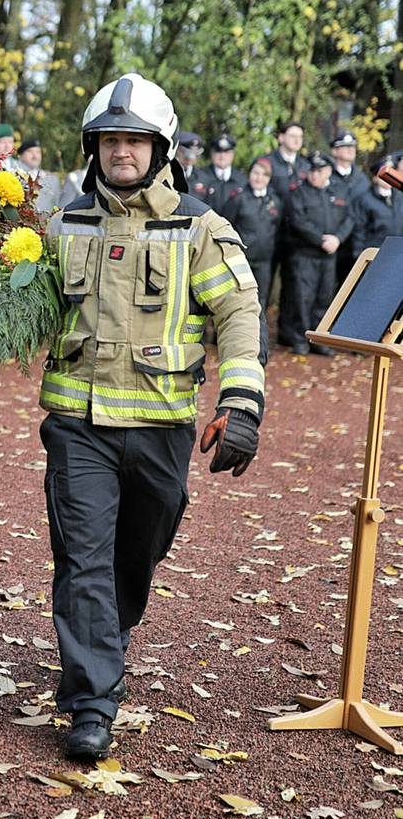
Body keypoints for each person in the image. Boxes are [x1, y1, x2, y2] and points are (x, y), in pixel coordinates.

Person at [39, 73, 263, 760]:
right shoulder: (62, 224)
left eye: (135, 140)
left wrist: (241, 401)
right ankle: (91, 703)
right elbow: (19, 312)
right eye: (109, 140)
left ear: (160, 146)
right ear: (93, 149)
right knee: (83, 560)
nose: (121, 152)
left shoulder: (200, 228)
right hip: (77, 424)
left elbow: (239, 312)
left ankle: (105, 638)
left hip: (163, 426)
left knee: (134, 557)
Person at [284, 150, 353, 356]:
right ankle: (301, 340)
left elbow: (349, 218)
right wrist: (321, 240)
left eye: (319, 170)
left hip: (329, 255)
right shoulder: (299, 192)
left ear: (329, 171)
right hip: (306, 254)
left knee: (324, 298)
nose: (314, 175)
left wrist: (338, 238)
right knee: (303, 298)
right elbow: (298, 221)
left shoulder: (339, 191)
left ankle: (319, 339)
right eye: (311, 170)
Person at [257, 120, 310, 349]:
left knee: (292, 287)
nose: (297, 139)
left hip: (295, 237)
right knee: (263, 287)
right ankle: (258, 336)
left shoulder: (306, 166)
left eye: (300, 135)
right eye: (292, 135)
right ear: (280, 137)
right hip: (270, 234)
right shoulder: (267, 163)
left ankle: (287, 334)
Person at [224, 157, 283, 311]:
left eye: (264, 175)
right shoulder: (238, 198)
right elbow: (226, 226)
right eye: (256, 173)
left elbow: (277, 228)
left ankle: (257, 335)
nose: (259, 178)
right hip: (241, 260)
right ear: (249, 174)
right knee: (237, 301)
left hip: (264, 262)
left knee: (260, 301)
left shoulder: (274, 200)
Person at [328, 129, 368, 291]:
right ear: (335, 151)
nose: (351, 149)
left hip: (353, 246)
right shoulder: (326, 175)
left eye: (352, 146)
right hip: (330, 244)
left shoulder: (362, 179)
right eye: (345, 146)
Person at [350, 154, 403, 261]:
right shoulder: (365, 199)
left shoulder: (400, 197)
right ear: (375, 178)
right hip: (375, 253)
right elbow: (359, 230)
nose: (388, 179)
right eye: (384, 175)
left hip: (398, 252)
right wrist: (360, 257)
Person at [191, 133, 246, 216]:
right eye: (218, 151)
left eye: (226, 151)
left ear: (233, 154)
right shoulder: (199, 176)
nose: (222, 155)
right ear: (211, 153)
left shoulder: (242, 179)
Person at [14, 137, 61, 214]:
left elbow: (59, 205)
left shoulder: (52, 179)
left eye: (38, 152)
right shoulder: (13, 176)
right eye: (30, 152)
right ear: (19, 156)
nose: (35, 156)